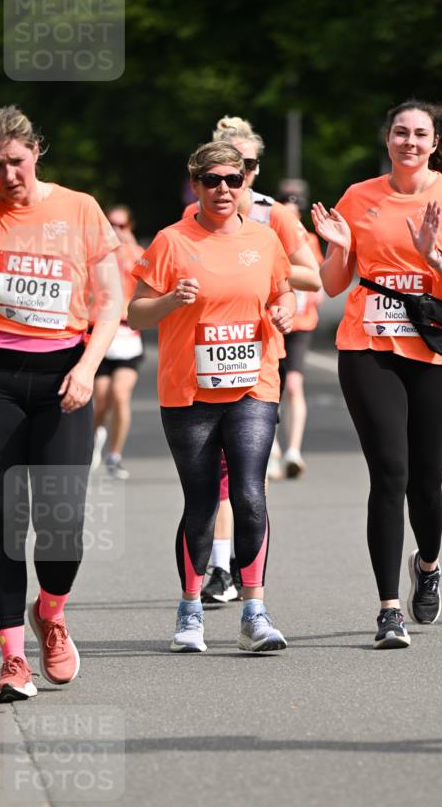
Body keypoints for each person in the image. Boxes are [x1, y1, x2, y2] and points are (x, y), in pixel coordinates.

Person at [312, 100, 442, 648]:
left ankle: (430, 562)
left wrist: (435, 258)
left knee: (427, 482)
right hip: (368, 346)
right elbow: (331, 284)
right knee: (389, 475)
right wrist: (340, 248)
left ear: (435, 143)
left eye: (420, 134)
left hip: (437, 350)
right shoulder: (359, 197)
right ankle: (388, 609)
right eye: (401, 132)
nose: (410, 142)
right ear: (387, 138)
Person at [0, 105, 123, 702]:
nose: (8, 175)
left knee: (62, 526)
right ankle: (13, 658)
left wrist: (88, 367)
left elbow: (110, 300)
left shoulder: (79, 208)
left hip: (65, 372)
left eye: (16, 161)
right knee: (5, 523)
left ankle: (51, 613)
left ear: (37, 152)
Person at [128, 141, 295, 654]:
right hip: (188, 390)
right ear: (195, 184)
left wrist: (285, 309)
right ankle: (190, 610)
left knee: (248, 493)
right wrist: (167, 301)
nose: (224, 189)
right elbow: (135, 314)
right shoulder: (171, 240)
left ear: (246, 183)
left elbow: (282, 290)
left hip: (253, 385)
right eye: (212, 180)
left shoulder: (264, 240)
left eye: (234, 179)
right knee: (201, 502)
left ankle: (255, 612)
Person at [190, 116, 321, 603]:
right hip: (206, 357)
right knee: (219, 473)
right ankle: (221, 569)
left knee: (245, 477)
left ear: (255, 171)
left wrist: (276, 288)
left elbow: (312, 276)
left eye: (242, 167)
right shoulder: (197, 215)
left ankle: (241, 578)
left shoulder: (276, 218)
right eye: (221, 168)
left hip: (260, 350)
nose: (230, 177)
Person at [91, 204, 144, 479]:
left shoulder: (138, 255)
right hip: (101, 333)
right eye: (112, 224)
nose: (116, 230)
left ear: (130, 228)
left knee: (120, 395)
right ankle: (94, 436)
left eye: (122, 225)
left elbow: (150, 276)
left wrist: (130, 247)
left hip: (128, 335)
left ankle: (114, 454)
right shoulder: (98, 252)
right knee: (101, 398)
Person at [275, 194, 325, 478]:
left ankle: (293, 451)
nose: (290, 220)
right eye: (285, 214)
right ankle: (269, 450)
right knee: (268, 389)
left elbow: (317, 278)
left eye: (295, 214)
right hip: (273, 322)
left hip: (301, 324)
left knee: (293, 385)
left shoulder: (310, 241)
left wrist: (314, 294)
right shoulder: (266, 238)